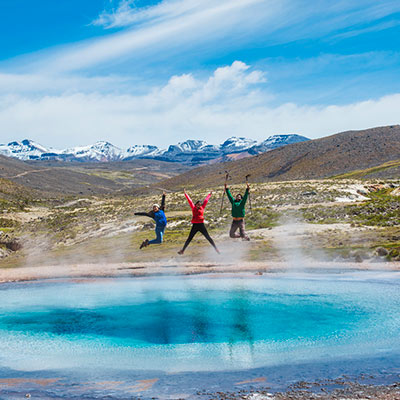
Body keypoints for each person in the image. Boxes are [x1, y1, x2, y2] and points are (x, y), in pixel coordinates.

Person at [178, 189, 219, 255]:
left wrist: (210, 194)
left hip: (201, 225)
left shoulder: (202, 207)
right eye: (198, 204)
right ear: (196, 204)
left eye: (200, 204)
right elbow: (190, 201)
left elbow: (206, 201)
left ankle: (216, 249)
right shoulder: (193, 207)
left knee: (208, 237)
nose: (199, 205)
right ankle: (182, 250)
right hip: (195, 225)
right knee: (189, 238)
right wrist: (185, 194)